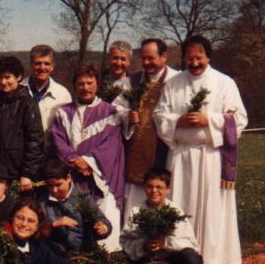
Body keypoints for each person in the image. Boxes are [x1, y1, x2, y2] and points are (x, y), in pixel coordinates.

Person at [154, 34, 247, 264]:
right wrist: (179, 122)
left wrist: (210, 120)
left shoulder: (224, 83)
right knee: (179, 209)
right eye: (189, 58)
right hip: (181, 157)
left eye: (199, 58)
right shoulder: (173, 84)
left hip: (210, 158)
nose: (194, 63)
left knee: (210, 212)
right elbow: (159, 116)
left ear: (209, 57)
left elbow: (239, 119)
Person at [50, 62, 126, 251]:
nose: (85, 87)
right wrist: (76, 162)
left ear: (97, 84)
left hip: (101, 178)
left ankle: (105, 260)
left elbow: (112, 145)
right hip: (73, 175)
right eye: (81, 83)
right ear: (75, 86)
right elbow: (58, 141)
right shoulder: (63, 112)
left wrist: (88, 162)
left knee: (102, 225)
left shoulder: (111, 112)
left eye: (89, 83)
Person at [120, 170, 202, 264]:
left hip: (171, 259)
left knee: (193, 259)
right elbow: (124, 241)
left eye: (159, 187)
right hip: (145, 259)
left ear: (168, 190)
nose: (154, 191)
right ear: (144, 188)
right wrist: (143, 245)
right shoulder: (136, 211)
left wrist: (165, 243)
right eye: (150, 186)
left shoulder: (176, 211)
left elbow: (191, 243)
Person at [118, 38, 179, 223]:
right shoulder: (132, 81)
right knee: (135, 199)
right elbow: (115, 108)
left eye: (151, 58)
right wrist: (127, 115)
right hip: (138, 147)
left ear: (164, 56)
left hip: (166, 146)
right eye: (143, 58)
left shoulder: (177, 80)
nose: (146, 63)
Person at [0, 55, 44, 192]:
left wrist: (27, 174)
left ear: (18, 77)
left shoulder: (28, 104)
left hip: (16, 174)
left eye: (8, 77)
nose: (3, 82)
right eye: (0, 77)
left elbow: (35, 142)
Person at [37, 163, 111, 253]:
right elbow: (37, 231)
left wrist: (103, 228)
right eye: (50, 186)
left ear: (68, 178)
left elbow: (101, 219)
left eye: (58, 185)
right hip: (53, 251)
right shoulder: (42, 201)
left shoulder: (82, 198)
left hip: (82, 252)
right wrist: (54, 224)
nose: (54, 190)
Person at [21, 44, 72, 157]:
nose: (42, 67)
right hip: (22, 155)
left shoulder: (63, 95)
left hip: (51, 156)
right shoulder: (18, 90)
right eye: (38, 63)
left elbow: (68, 131)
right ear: (31, 64)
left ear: (52, 66)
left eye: (47, 63)